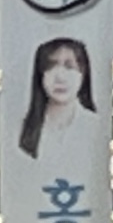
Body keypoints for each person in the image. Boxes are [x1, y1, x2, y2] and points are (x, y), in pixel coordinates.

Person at [16, 36, 100, 167]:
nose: (60, 76)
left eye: (69, 66)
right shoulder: (21, 129)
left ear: (83, 73)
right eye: (51, 66)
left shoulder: (96, 127)